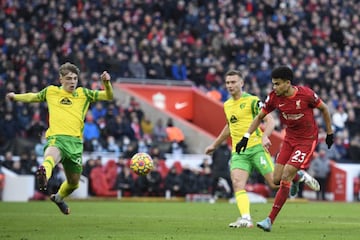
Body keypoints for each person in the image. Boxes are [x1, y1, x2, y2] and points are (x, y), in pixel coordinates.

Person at [5, 62, 113, 214]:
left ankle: (58, 198)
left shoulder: (84, 93)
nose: (72, 82)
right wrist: (15, 97)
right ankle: (44, 175)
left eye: (75, 78)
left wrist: (106, 83)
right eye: (69, 78)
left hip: (75, 144)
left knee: (74, 184)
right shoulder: (51, 91)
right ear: (61, 79)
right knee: (50, 157)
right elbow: (33, 96)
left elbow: (108, 96)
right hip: (57, 138)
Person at [235, 66, 333, 232]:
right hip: (289, 140)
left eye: (277, 84)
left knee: (286, 173)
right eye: (273, 84)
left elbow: (324, 108)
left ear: (288, 83)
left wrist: (329, 133)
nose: (274, 87)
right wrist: (245, 137)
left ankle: (269, 220)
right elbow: (259, 117)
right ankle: (298, 176)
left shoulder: (306, 94)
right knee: (275, 179)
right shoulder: (274, 97)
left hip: (306, 141)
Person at [205, 69, 278, 228]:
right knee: (237, 183)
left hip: (257, 148)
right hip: (239, 152)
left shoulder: (252, 101)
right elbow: (229, 127)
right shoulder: (227, 105)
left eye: (233, 82)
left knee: (274, 183)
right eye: (227, 83)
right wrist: (214, 145)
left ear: (241, 83)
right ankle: (246, 218)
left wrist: (265, 136)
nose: (230, 85)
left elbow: (270, 121)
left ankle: (296, 176)